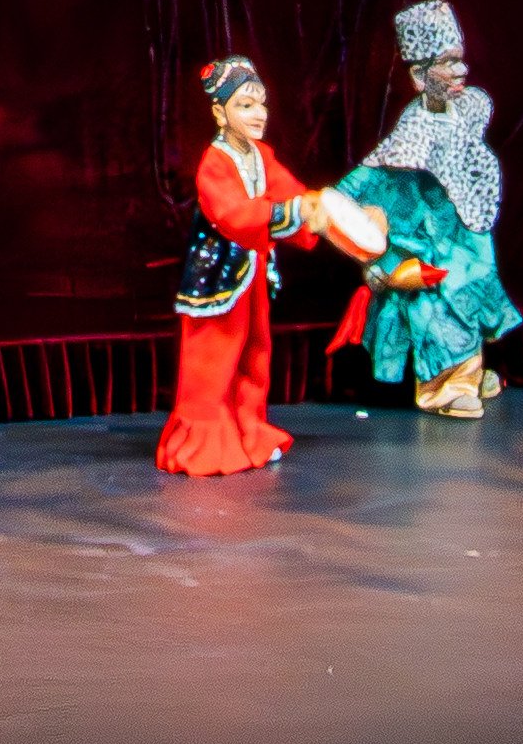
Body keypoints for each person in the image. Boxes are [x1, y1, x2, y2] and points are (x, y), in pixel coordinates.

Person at [160, 55, 380, 478]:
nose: (259, 114)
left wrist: (330, 214)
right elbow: (235, 216)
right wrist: (298, 211)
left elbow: (293, 194)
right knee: (213, 358)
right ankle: (203, 442)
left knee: (255, 352)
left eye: (261, 104)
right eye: (245, 105)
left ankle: (249, 430)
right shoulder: (214, 163)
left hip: (254, 274)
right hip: (217, 280)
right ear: (219, 112)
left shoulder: (261, 156)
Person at [328, 1, 523, 420]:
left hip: (464, 229)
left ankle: (471, 370)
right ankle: (446, 386)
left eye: (460, 61)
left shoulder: (466, 110)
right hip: (428, 234)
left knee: (477, 285)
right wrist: (350, 214)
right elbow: (370, 178)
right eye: (447, 64)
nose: (460, 72)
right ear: (419, 76)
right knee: (441, 298)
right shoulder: (412, 133)